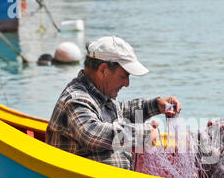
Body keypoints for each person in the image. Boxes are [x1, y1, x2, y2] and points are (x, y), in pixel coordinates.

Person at [46, 36, 181, 170]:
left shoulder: (99, 95)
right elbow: (93, 134)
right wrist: (143, 134)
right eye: (124, 76)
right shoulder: (76, 100)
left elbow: (121, 111)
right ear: (103, 70)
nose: (127, 83)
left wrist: (156, 105)